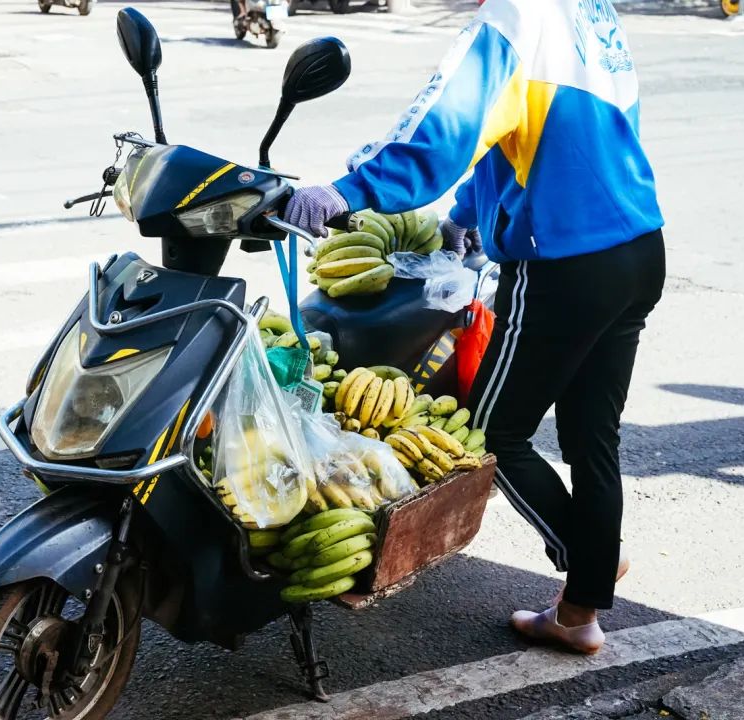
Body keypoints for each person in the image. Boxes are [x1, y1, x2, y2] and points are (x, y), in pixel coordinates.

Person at [283, 0, 665, 654]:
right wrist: (467, 212)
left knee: (493, 430)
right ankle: (578, 615)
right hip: (638, 246)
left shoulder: (517, 14)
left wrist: (353, 188)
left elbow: (449, 125)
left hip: (564, 263)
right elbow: (527, 131)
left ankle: (589, 566)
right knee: (592, 437)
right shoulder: (588, 13)